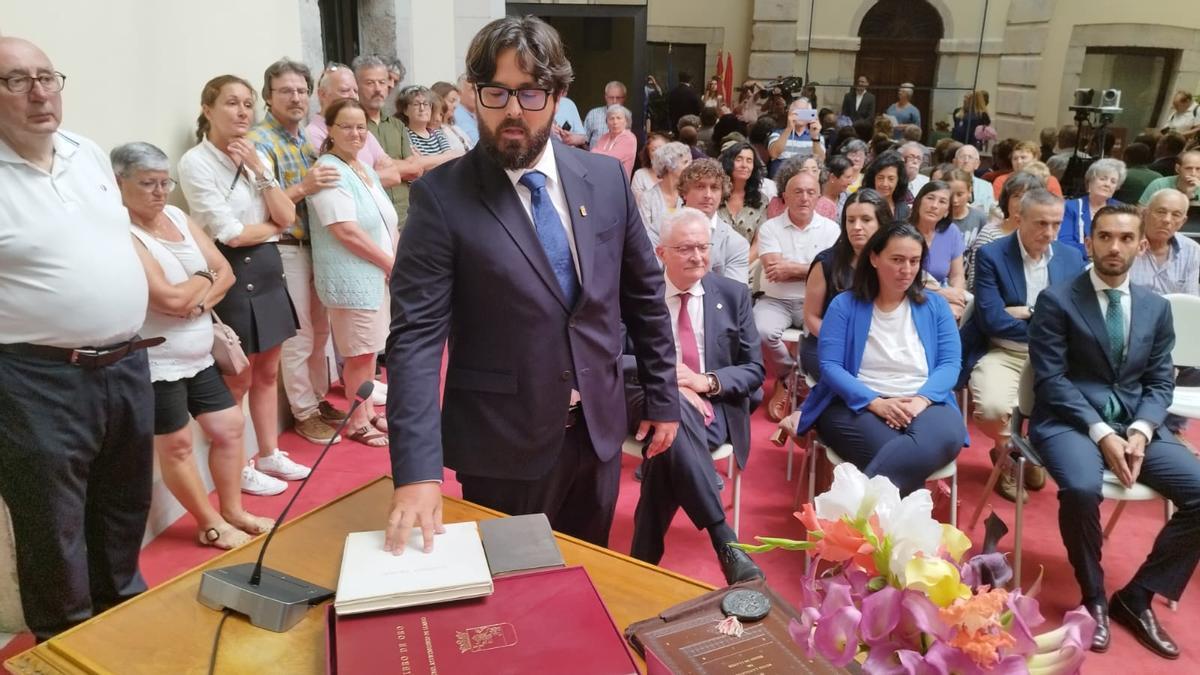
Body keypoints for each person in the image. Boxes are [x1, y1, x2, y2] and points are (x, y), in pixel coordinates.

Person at [384, 16, 679, 552]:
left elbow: (643, 298)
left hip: (598, 431)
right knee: (508, 602)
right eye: (496, 93)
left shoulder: (605, 179)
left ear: (559, 95)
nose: (513, 111)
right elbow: (415, 342)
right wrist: (417, 471)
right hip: (502, 444)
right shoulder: (442, 198)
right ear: (473, 96)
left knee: (585, 579)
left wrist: (662, 396)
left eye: (531, 92)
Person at [0, 37, 154, 640]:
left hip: (124, 363)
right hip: (36, 378)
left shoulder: (86, 151)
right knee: (53, 526)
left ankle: (122, 621)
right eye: (16, 81)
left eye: (47, 76)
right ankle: (67, 642)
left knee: (123, 508)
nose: (40, 93)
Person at [1027, 204, 1200, 658]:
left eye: (1125, 238)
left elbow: (1161, 381)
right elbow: (1052, 380)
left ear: (1141, 245)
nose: (1113, 247)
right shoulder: (1058, 299)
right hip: (1069, 420)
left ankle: (1137, 596)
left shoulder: (1155, 308)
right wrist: (1102, 432)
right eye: (1104, 237)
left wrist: (1142, 430)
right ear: (1089, 242)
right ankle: (1094, 595)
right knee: (1082, 488)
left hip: (1135, 424)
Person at [115, 142, 274, 548]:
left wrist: (198, 295)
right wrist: (205, 278)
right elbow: (167, 299)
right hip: (156, 360)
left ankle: (233, 509)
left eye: (164, 182)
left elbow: (226, 273)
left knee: (229, 427)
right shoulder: (121, 232)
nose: (159, 192)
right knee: (179, 444)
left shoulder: (177, 216)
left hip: (200, 354)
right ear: (119, 184)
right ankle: (209, 523)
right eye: (148, 183)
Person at [178, 75, 308, 495]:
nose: (242, 112)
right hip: (234, 271)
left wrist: (258, 169)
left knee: (269, 371)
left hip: (268, 270)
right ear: (207, 108)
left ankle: (269, 452)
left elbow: (288, 216)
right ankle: (241, 463)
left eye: (248, 104)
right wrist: (271, 227)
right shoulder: (195, 162)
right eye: (232, 103)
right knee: (238, 375)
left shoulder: (256, 156)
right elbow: (229, 233)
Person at [626, 208, 765, 584]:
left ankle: (643, 554)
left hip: (712, 406)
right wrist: (667, 379)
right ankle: (724, 540)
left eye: (703, 247)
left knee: (667, 441)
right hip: (645, 392)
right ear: (661, 253)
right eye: (685, 248)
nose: (698, 257)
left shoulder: (733, 295)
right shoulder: (638, 292)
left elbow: (754, 369)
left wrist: (705, 382)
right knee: (672, 408)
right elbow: (613, 356)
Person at [785, 224, 967, 495]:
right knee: (899, 454)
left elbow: (950, 364)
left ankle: (851, 519)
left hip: (927, 402)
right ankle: (892, 530)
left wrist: (920, 401)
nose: (906, 269)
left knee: (940, 438)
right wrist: (875, 403)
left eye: (914, 261)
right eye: (897, 260)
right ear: (873, 258)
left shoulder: (935, 306)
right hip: (854, 405)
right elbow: (830, 367)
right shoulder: (844, 305)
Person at [960, 189, 1086, 502]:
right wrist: (1047, 321)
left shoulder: (1071, 257)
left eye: (1056, 224)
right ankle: (1009, 451)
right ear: (1019, 219)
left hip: (1055, 356)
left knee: (1082, 405)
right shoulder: (992, 254)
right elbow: (992, 320)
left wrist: (1027, 311)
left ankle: (1026, 452)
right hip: (1003, 351)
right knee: (990, 408)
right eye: (1041, 223)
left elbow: (1076, 318)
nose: (1050, 232)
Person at [246, 58, 347, 445]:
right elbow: (262, 207)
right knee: (301, 335)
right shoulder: (261, 142)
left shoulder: (306, 138)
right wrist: (304, 186)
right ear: (268, 97)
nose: (296, 98)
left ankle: (319, 401)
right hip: (285, 246)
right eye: (286, 91)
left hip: (316, 246)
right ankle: (303, 412)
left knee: (321, 332)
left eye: (302, 91)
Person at [307, 98, 399, 446]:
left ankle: (369, 413)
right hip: (354, 276)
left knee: (370, 350)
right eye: (346, 126)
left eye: (361, 126)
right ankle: (357, 421)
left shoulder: (363, 167)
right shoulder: (330, 169)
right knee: (359, 354)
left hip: (375, 273)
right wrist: (390, 262)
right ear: (329, 129)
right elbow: (344, 230)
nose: (356, 133)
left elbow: (383, 220)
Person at [753, 169, 840, 421]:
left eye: (811, 192)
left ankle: (816, 388)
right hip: (775, 300)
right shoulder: (770, 228)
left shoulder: (831, 230)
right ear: (784, 197)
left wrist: (792, 268)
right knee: (761, 331)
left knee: (828, 334)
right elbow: (773, 269)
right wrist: (814, 268)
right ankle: (789, 374)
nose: (804, 198)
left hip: (815, 300)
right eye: (798, 192)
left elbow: (832, 271)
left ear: (818, 198)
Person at [799, 189, 888, 378]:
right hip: (829, 344)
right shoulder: (826, 263)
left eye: (866, 219)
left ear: (882, 223)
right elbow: (811, 317)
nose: (856, 226)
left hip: (880, 346)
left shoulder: (892, 262)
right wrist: (844, 341)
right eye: (850, 220)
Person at [355, 57, 423, 244]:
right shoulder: (354, 128)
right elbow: (359, 175)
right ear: (357, 86)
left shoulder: (397, 125)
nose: (377, 89)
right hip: (372, 219)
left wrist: (387, 168)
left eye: (382, 83)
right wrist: (403, 166)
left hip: (405, 216)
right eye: (370, 83)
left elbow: (416, 170)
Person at [966, 172, 1044, 291]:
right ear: (1006, 200)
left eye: (1029, 197)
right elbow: (975, 285)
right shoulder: (990, 234)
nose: (1022, 202)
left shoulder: (1045, 235)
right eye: (1017, 196)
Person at [677, 158, 751, 284]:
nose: (708, 195)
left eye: (715, 188)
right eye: (700, 186)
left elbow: (733, 294)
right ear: (684, 192)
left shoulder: (736, 243)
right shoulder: (659, 230)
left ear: (722, 194)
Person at [909, 181, 967, 320]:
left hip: (942, 299)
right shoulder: (902, 231)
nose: (934, 206)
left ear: (947, 211)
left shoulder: (951, 232)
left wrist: (957, 297)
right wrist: (940, 293)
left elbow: (957, 275)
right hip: (908, 297)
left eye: (942, 202)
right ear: (918, 202)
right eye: (930, 198)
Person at [1058, 158, 1125, 257]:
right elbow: (1064, 243)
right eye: (1103, 179)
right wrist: (1099, 252)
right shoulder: (1071, 207)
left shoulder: (1121, 209)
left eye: (1113, 181)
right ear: (1090, 182)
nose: (1107, 184)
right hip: (1079, 264)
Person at [718, 140, 776, 244]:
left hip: (749, 258)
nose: (744, 165)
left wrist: (742, 261)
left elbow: (759, 241)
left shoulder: (761, 200)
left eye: (749, 161)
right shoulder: (715, 196)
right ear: (728, 163)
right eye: (739, 159)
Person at [638, 141, 691, 245]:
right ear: (669, 166)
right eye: (685, 162)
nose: (690, 166)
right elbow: (645, 235)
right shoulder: (648, 198)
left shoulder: (689, 194)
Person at [397, 85, 462, 166]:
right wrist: (445, 157)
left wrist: (425, 160)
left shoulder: (438, 134)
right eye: (416, 104)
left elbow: (451, 160)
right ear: (405, 110)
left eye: (426, 104)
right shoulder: (404, 135)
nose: (422, 108)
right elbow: (416, 164)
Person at [767, 97, 825, 175]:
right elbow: (773, 153)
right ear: (789, 113)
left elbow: (820, 160)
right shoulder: (777, 134)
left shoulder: (817, 137)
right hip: (779, 182)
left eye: (805, 112)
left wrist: (815, 138)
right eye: (797, 111)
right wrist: (788, 129)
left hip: (806, 182)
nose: (801, 114)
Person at [993, 140, 1063, 198]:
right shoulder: (1001, 180)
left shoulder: (1050, 180)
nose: (1019, 162)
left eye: (1023, 157)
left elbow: (1057, 206)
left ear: (1035, 159)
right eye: (1015, 158)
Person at [944, 168, 989, 251]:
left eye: (960, 194)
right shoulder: (939, 219)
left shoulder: (980, 218)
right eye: (950, 194)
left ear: (969, 191)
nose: (955, 200)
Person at [861, 150, 910, 221]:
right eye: (880, 178)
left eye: (891, 179)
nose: (885, 184)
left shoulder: (903, 210)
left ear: (899, 180)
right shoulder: (861, 204)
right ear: (873, 178)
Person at [591, 104, 637, 177]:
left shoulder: (629, 138)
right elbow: (592, 157)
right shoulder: (604, 137)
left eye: (619, 118)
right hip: (599, 178)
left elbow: (611, 160)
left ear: (626, 121)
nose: (615, 122)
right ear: (607, 122)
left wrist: (596, 152)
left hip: (617, 183)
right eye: (611, 118)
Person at [430, 81, 474, 152]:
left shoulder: (456, 128)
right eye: (451, 101)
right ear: (439, 101)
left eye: (456, 102)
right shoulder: (435, 131)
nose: (455, 106)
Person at [953, 144, 997, 214]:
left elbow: (989, 211)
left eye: (970, 157)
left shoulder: (986, 186)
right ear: (954, 162)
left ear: (977, 164)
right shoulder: (947, 183)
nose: (966, 161)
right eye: (962, 157)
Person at [583, 80, 626, 149]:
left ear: (624, 98)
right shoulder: (593, 114)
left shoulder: (630, 117)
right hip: (594, 158)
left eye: (618, 98)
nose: (614, 101)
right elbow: (583, 141)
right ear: (605, 97)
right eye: (611, 97)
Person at [632, 131, 670, 205]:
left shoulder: (674, 173)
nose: (658, 152)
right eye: (653, 150)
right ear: (648, 154)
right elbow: (636, 203)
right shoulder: (640, 175)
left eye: (661, 148)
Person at [817, 154, 855, 222]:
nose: (851, 183)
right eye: (848, 177)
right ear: (832, 177)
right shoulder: (813, 197)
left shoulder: (850, 198)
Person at [453, 73, 480, 146]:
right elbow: (476, 143)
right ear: (459, 93)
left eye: (479, 89)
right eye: (473, 90)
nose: (478, 94)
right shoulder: (457, 114)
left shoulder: (475, 114)